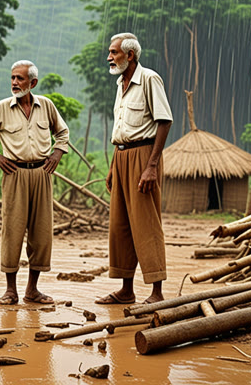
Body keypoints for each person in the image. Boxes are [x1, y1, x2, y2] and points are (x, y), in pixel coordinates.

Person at [0, 60, 69, 305]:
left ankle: (32, 290)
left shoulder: (46, 106)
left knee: (42, 233)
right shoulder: (2, 108)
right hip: (14, 174)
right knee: (13, 231)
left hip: (42, 174)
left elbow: (63, 132)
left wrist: (57, 152)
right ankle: (10, 291)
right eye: (13, 78)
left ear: (33, 83)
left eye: (20, 79)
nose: (14, 83)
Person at [96, 33, 173, 305]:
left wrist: (151, 166)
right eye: (110, 52)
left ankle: (157, 292)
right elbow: (122, 129)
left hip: (144, 156)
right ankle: (126, 290)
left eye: (114, 52)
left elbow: (164, 122)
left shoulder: (150, 79)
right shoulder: (120, 83)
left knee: (146, 224)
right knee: (121, 225)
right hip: (121, 157)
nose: (109, 57)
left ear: (130, 55)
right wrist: (113, 167)